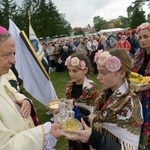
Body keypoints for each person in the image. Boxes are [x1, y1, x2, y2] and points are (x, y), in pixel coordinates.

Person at [66, 48, 143, 150]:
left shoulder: (130, 104)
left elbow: (128, 148)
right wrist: (73, 118)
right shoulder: (105, 94)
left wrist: (95, 139)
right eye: (98, 72)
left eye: (103, 72)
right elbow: (95, 118)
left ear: (121, 73)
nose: (98, 77)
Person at [0, 25, 62, 149]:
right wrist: (43, 132)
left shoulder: (2, 78)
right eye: (6, 55)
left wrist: (25, 101)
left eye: (14, 54)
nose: (14, 61)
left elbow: (12, 93)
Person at [64, 52, 99, 150]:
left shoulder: (91, 88)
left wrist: (74, 107)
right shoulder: (70, 86)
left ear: (85, 70)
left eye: (74, 71)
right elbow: (68, 102)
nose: (71, 74)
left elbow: (94, 112)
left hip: (86, 127)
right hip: (73, 124)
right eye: (69, 70)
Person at [133, 22, 150, 149]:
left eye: (146, 36)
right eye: (140, 37)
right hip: (138, 97)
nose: (142, 40)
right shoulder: (139, 55)